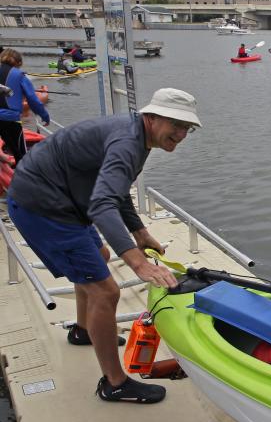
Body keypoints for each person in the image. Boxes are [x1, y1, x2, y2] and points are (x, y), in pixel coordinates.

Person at [6, 88, 202, 404]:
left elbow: (116, 190)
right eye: (175, 124)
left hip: (62, 200)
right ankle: (115, 383)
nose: (181, 133)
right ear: (151, 117)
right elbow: (101, 205)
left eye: (187, 128)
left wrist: (139, 233)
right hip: (43, 207)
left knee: (100, 255)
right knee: (105, 291)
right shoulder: (128, 143)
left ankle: (84, 331)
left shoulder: (139, 136)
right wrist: (139, 262)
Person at [0, 49, 50, 163]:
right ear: (19, 63)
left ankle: (5, 161)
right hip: (10, 119)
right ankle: (21, 174)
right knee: (21, 155)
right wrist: (45, 116)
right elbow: (33, 100)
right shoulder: (20, 75)